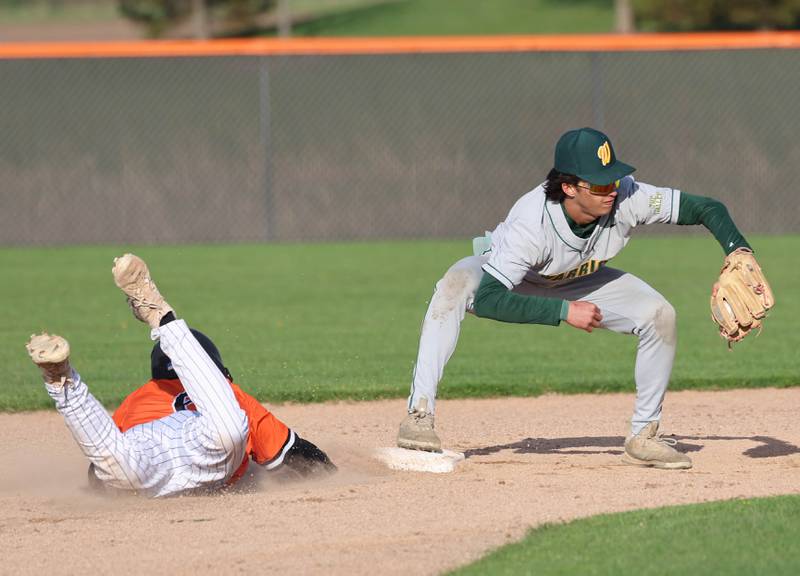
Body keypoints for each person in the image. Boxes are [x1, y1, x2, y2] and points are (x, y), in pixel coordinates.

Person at [397, 127, 760, 470]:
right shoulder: (532, 221)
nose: (612, 189)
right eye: (600, 183)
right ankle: (419, 415)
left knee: (659, 314)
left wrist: (737, 248)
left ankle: (644, 436)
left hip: (579, 279)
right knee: (453, 285)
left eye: (613, 178)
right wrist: (562, 311)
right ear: (569, 187)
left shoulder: (629, 196)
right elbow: (491, 298)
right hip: (514, 277)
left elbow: (707, 207)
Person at [26, 253, 335, 497]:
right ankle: (161, 316)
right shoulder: (230, 392)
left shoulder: (137, 400)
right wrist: (334, 474)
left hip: (146, 464)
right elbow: (296, 456)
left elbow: (99, 470)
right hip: (206, 453)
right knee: (229, 430)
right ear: (215, 370)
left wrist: (104, 487)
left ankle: (60, 379)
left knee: (117, 463)